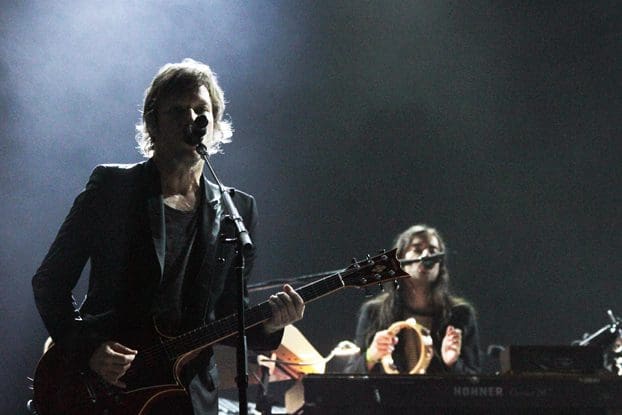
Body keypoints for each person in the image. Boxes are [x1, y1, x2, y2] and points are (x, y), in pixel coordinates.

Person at [31, 58, 305, 414]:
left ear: (215, 124)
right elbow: (49, 282)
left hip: (186, 395)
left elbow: (227, 314)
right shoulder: (113, 188)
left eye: (201, 110)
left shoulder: (237, 211)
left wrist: (271, 324)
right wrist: (89, 350)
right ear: (153, 123)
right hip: (107, 389)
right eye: (178, 111)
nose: (192, 119)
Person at [345, 224, 480, 374]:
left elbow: (475, 380)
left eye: (433, 251)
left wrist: (453, 363)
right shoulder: (374, 312)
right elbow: (351, 375)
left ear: (440, 264)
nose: (426, 255)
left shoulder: (460, 314)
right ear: (400, 259)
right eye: (417, 249)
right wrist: (371, 356)